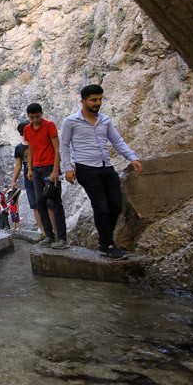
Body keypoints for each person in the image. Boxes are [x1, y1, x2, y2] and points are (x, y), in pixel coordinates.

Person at [61, 84, 144, 260]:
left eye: (99, 99)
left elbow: (117, 141)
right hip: (86, 169)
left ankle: (105, 242)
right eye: (93, 100)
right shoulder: (71, 121)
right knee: (101, 207)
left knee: (115, 206)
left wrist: (132, 158)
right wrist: (68, 168)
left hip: (107, 167)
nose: (97, 103)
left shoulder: (105, 120)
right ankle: (107, 244)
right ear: (83, 101)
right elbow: (64, 146)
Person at [24, 102, 68, 249]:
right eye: (32, 117)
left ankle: (61, 238)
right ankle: (48, 235)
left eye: (37, 116)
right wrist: (29, 169)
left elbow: (57, 148)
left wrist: (55, 170)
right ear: (28, 117)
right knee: (40, 202)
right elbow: (30, 149)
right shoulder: (27, 129)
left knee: (55, 202)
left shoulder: (49, 125)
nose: (35, 120)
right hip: (36, 169)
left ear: (42, 113)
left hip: (50, 167)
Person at [11, 121, 57, 237]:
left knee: (49, 203)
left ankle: (54, 232)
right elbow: (18, 165)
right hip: (29, 178)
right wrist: (14, 180)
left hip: (42, 174)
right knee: (36, 205)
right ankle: (44, 233)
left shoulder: (38, 142)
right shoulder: (19, 148)